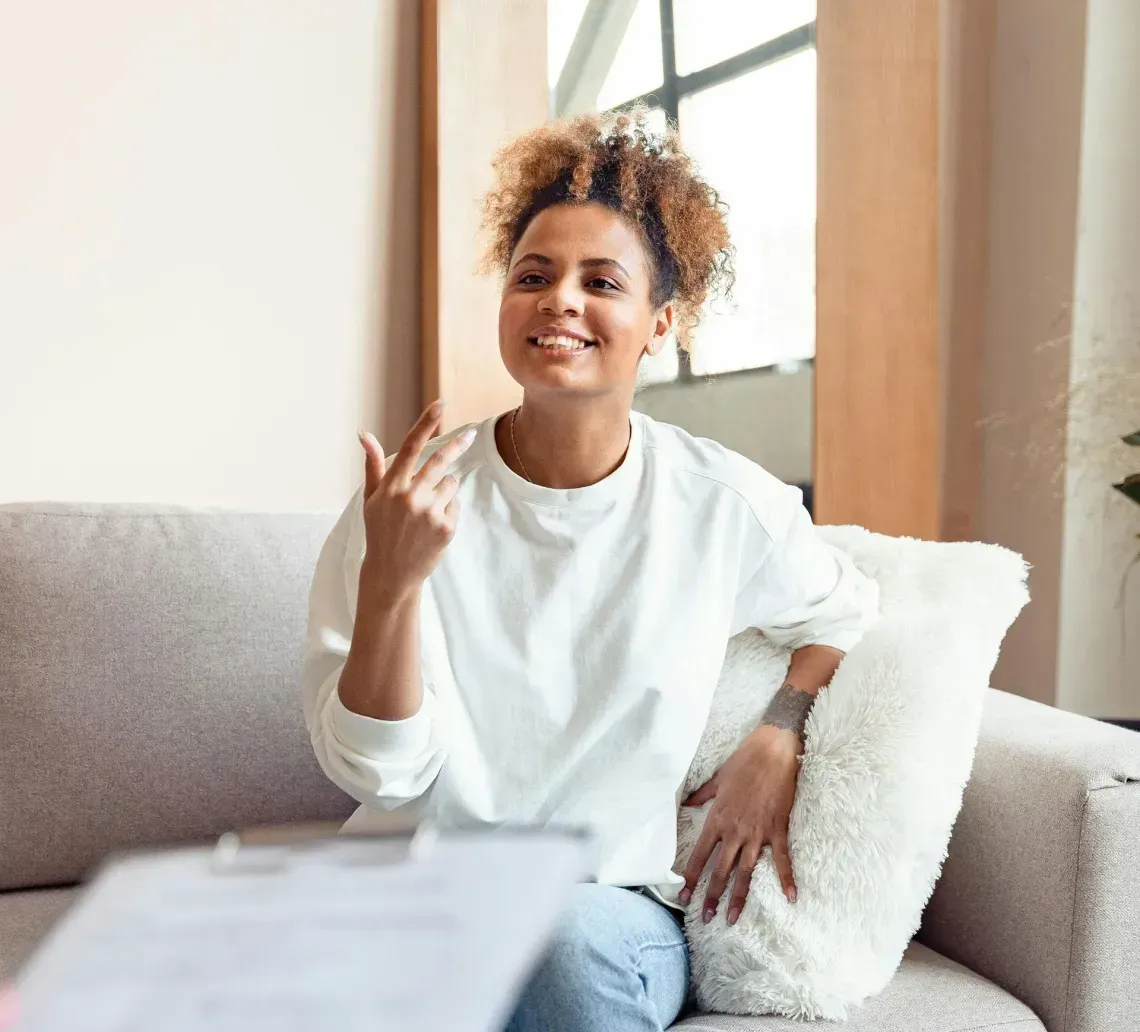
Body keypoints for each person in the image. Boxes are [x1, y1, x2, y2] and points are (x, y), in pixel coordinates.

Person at [301, 108, 880, 1032]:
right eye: (533, 276)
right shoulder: (409, 503)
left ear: (659, 323)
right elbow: (383, 780)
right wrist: (394, 584)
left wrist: (778, 733)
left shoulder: (719, 504)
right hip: (414, 897)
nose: (559, 299)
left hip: (595, 910)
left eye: (599, 281)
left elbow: (844, 616)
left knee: (560, 950)